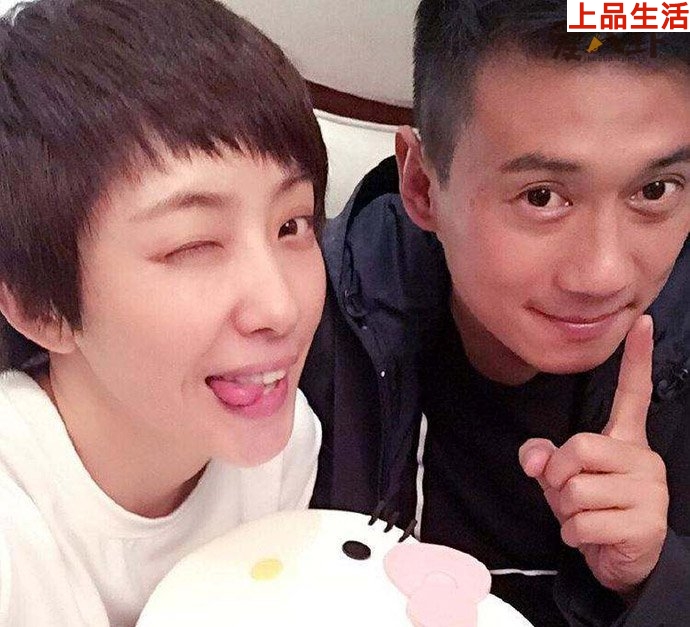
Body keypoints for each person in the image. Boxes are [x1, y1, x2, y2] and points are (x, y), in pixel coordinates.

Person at [301, 1, 690, 625]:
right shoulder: (298, 332)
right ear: (422, 187)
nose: (604, 274)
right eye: (542, 197)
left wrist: (654, 576)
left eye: (654, 190)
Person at [0, 1, 327, 625]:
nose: (280, 307)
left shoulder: (283, 449)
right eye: (193, 245)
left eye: (292, 224)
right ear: (40, 309)